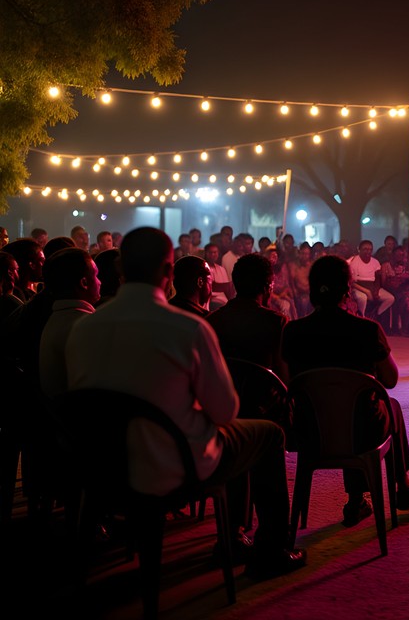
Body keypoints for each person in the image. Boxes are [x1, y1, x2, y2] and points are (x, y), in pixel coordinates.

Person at [65, 227, 306, 577]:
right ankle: (271, 549)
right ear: (168, 273)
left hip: (101, 468)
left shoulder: (83, 329)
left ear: (119, 272)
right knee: (266, 434)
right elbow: (225, 411)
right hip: (176, 466)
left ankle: (234, 533)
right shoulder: (188, 329)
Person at [281, 255, 409, 525]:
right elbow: (390, 380)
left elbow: (287, 383)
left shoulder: (293, 331)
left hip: (309, 429)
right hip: (361, 429)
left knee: (347, 407)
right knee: (383, 405)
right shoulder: (366, 329)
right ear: (347, 290)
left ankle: (358, 500)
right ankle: (401, 486)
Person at [207, 253, 290, 384]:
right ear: (267, 287)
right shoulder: (277, 322)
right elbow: (284, 379)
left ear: (235, 283)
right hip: (264, 400)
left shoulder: (212, 321)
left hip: (224, 399)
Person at [38, 248, 101, 400]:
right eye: (96, 275)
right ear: (84, 283)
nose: (100, 282)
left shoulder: (59, 318)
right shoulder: (82, 325)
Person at [348, 240, 395, 320]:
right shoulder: (353, 261)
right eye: (365, 249)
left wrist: (376, 291)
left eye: (370, 249)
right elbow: (352, 282)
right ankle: (362, 318)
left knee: (390, 298)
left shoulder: (375, 262)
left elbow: (377, 278)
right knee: (362, 298)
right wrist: (367, 292)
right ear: (359, 249)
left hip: (372, 286)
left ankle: (376, 314)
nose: (368, 251)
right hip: (358, 287)